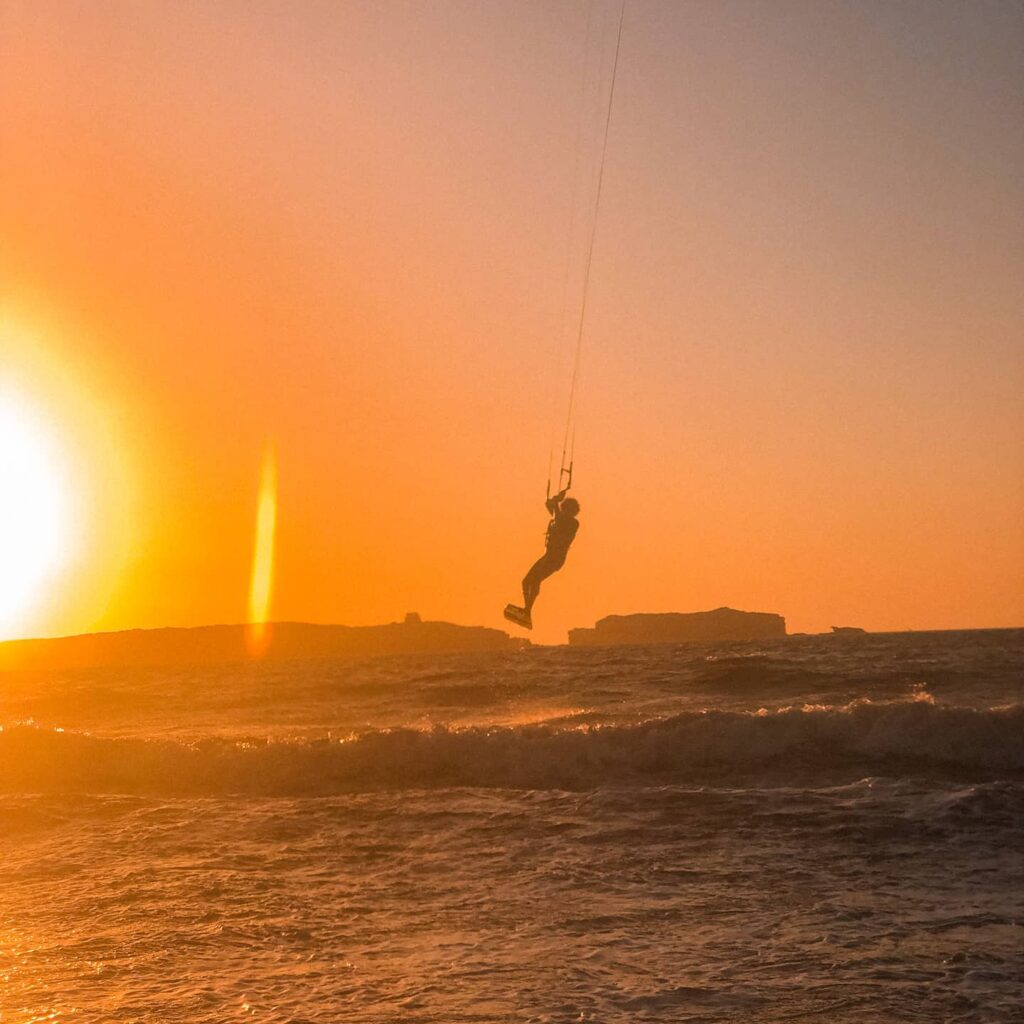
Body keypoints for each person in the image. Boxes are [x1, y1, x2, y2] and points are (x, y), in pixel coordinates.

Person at [505, 490, 580, 629]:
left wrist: (557, 501)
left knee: (534, 580)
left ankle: (527, 611)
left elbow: (557, 514)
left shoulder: (572, 523)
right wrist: (555, 499)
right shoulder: (559, 517)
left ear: (572, 511)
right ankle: (527, 610)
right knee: (526, 581)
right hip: (548, 556)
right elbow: (549, 505)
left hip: (554, 559)